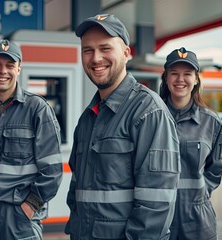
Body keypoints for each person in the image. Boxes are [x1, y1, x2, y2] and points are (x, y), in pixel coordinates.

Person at [65, 14, 180, 239]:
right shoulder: (88, 118)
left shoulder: (148, 112)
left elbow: (155, 205)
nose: (95, 58)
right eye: (87, 50)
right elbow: (77, 191)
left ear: (126, 53)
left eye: (105, 48)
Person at [0, 39, 63, 240]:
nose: (3, 71)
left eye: (10, 65)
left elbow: (52, 170)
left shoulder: (37, 109)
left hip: (18, 216)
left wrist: (30, 206)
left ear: (19, 69)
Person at [160, 47, 222, 239]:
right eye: (174, 74)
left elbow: (215, 170)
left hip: (197, 224)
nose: (180, 80)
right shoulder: (151, 118)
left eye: (187, 74)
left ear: (196, 79)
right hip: (160, 220)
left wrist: (198, 197)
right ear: (166, 78)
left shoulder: (211, 122)